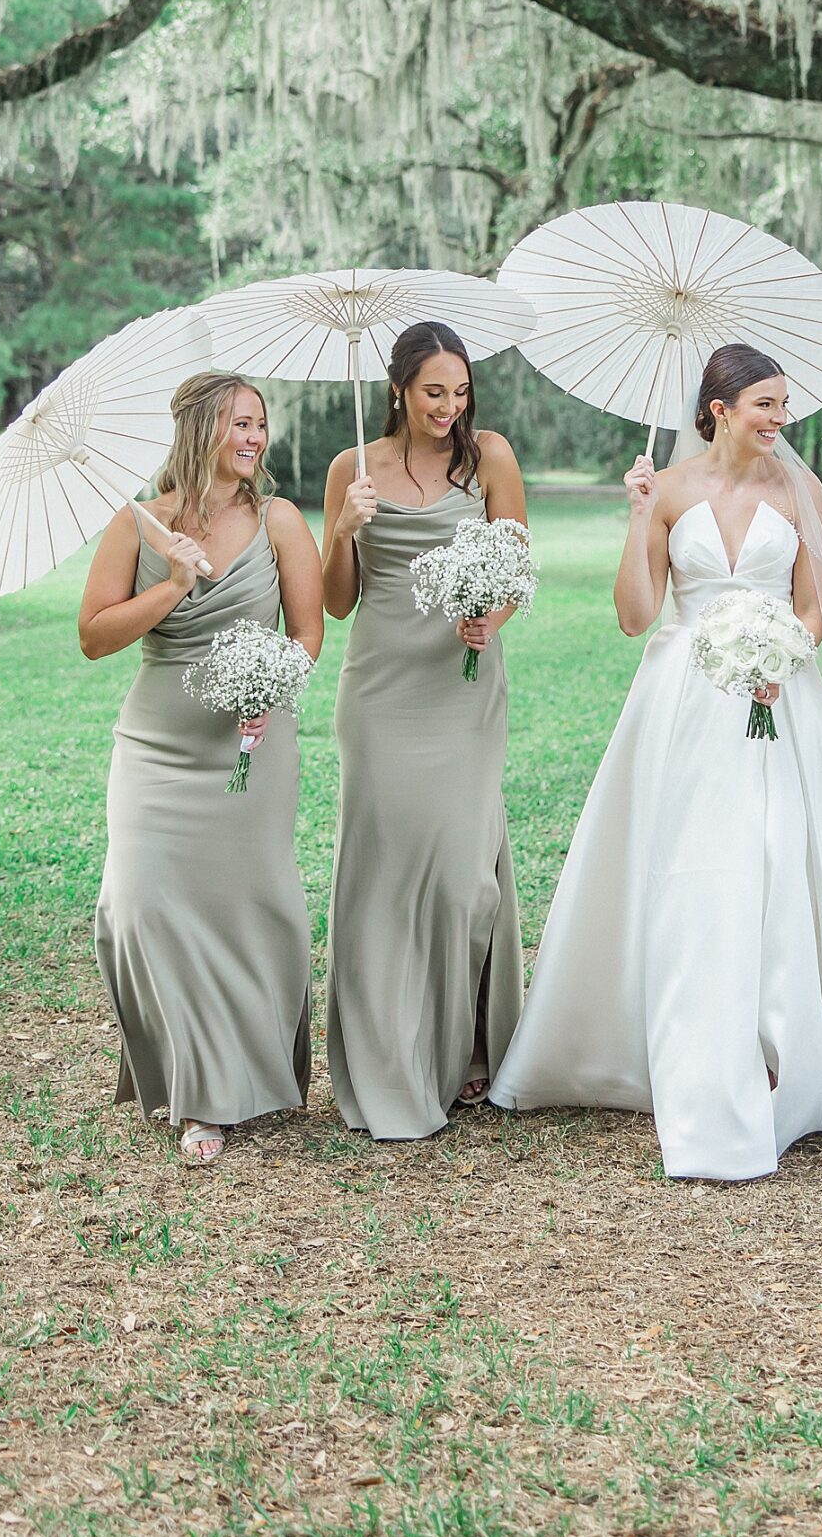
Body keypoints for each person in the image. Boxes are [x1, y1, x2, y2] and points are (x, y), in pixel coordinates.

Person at [490, 343, 822, 1181]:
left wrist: (781, 659)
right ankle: (687, 1046)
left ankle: (781, 1042)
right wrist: (635, 518)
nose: (778, 419)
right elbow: (634, 615)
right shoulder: (669, 490)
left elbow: (812, 607)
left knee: (775, 858)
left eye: (783, 405)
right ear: (718, 410)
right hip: (681, 701)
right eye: (763, 403)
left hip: (774, 696)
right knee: (691, 868)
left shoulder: (802, 491)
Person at [81, 373, 323, 1167]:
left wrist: (270, 687)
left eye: (260, 423)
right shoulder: (138, 524)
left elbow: (309, 633)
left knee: (248, 906)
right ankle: (189, 1078)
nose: (254, 438)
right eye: (238, 424)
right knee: (141, 903)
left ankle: (219, 1093)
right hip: (156, 745)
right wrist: (177, 584)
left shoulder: (279, 520)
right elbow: (94, 635)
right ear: (198, 432)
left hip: (249, 744)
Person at [321, 321, 526, 1138]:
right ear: (399, 389)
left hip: (462, 686)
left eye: (461, 391)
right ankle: (386, 1060)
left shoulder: (492, 459)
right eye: (434, 392)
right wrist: (342, 527)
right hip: (379, 689)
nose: (449, 407)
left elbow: (516, 568)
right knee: (382, 872)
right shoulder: (351, 466)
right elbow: (338, 602)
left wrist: (491, 616)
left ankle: (472, 1043)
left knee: (461, 875)